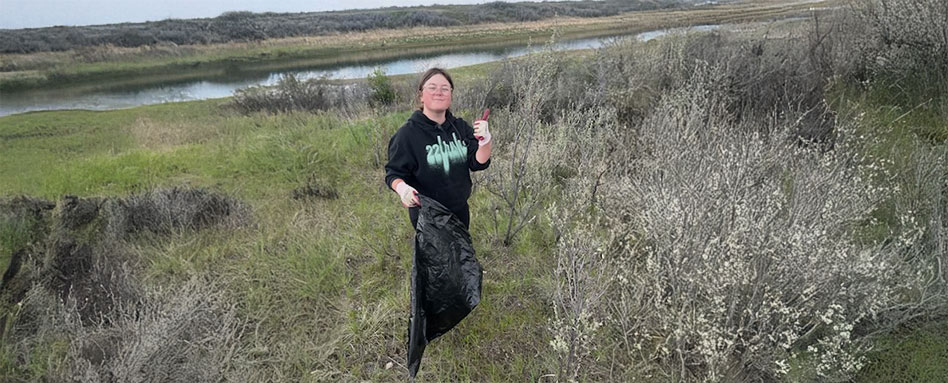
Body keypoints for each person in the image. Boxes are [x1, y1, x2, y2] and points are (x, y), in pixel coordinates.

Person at [384, 67, 492, 229]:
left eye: (445, 89)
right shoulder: (407, 135)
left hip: (460, 210)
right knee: (436, 255)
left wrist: (485, 140)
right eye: (432, 88)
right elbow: (393, 174)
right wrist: (402, 189)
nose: (439, 92)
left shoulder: (460, 127)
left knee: (461, 253)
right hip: (427, 216)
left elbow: (478, 163)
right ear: (421, 95)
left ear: (451, 95)